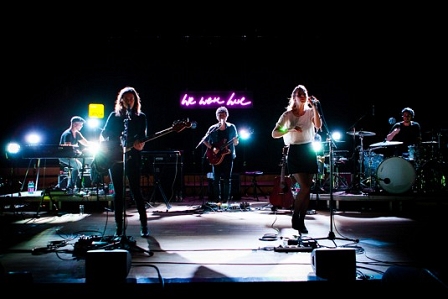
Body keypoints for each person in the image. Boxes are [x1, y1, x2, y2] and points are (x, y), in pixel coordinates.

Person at [98, 86, 149, 238]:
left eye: (132, 99)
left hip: (133, 158)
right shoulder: (114, 116)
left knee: (136, 191)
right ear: (121, 100)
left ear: (136, 100)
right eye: (126, 99)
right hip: (114, 158)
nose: (129, 101)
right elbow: (103, 135)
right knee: (118, 194)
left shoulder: (141, 117)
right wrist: (108, 148)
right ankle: (119, 228)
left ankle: (144, 225)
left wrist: (140, 145)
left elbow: (143, 138)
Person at [271, 84, 322, 234]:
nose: (302, 96)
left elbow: (318, 126)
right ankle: (295, 216)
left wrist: (315, 108)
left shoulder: (310, 112)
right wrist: (289, 129)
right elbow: (274, 133)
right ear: (294, 97)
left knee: (307, 190)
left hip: (309, 150)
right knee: (304, 186)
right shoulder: (288, 115)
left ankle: (301, 220)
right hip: (295, 151)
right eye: (299, 94)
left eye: (304, 94)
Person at [202, 106, 239, 204]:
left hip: (228, 156)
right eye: (220, 115)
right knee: (216, 179)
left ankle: (225, 200)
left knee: (227, 179)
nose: (222, 116)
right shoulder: (213, 128)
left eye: (223, 115)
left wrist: (236, 142)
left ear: (227, 116)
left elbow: (235, 143)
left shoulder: (232, 127)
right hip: (216, 157)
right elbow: (204, 141)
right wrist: (212, 148)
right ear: (216, 116)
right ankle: (216, 199)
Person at [59, 116, 92, 193]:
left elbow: (86, 143)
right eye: (80, 125)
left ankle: (74, 185)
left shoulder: (77, 134)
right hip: (64, 156)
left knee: (89, 161)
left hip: (72, 156)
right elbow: (68, 148)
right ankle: (71, 186)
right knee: (78, 165)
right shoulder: (67, 134)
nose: (82, 126)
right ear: (74, 124)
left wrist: (96, 144)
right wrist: (78, 150)